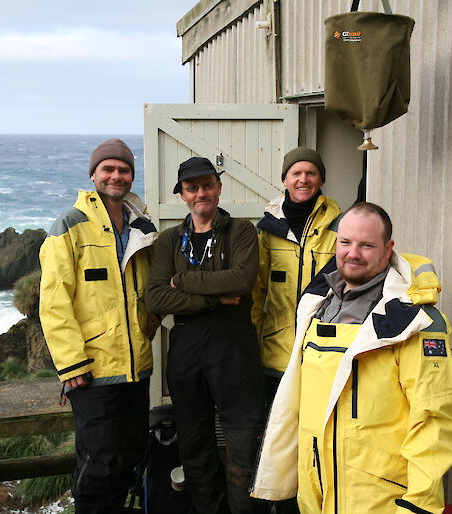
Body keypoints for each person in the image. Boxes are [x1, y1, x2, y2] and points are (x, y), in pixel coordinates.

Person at [251, 202, 452, 514]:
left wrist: (418, 504)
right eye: (346, 242)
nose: (353, 253)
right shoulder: (316, 305)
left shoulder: (413, 321)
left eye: (366, 245)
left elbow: (434, 418)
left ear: (388, 248)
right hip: (316, 494)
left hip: (381, 500)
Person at [39, 138, 158, 513]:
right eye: (108, 169)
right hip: (90, 371)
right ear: (93, 175)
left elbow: (148, 289)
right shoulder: (69, 226)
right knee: (98, 463)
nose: (116, 176)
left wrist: (148, 325)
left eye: (123, 170)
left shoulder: (141, 226)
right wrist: (71, 363)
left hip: (136, 368)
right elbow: (54, 301)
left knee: (132, 452)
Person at [146, 156, 268, 514]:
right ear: (183, 194)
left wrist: (182, 281)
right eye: (192, 187)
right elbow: (156, 297)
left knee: (243, 449)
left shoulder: (242, 231)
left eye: (207, 185)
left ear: (218, 187)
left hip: (235, 353)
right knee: (196, 450)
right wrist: (218, 298)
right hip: (186, 355)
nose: (201, 193)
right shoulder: (169, 241)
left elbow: (242, 280)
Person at [252, 147, 342, 403]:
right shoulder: (268, 229)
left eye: (311, 173)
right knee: (278, 431)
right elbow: (256, 293)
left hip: (322, 349)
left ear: (321, 179)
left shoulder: (340, 226)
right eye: (296, 173)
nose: (304, 179)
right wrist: (250, 344)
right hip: (277, 352)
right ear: (285, 180)